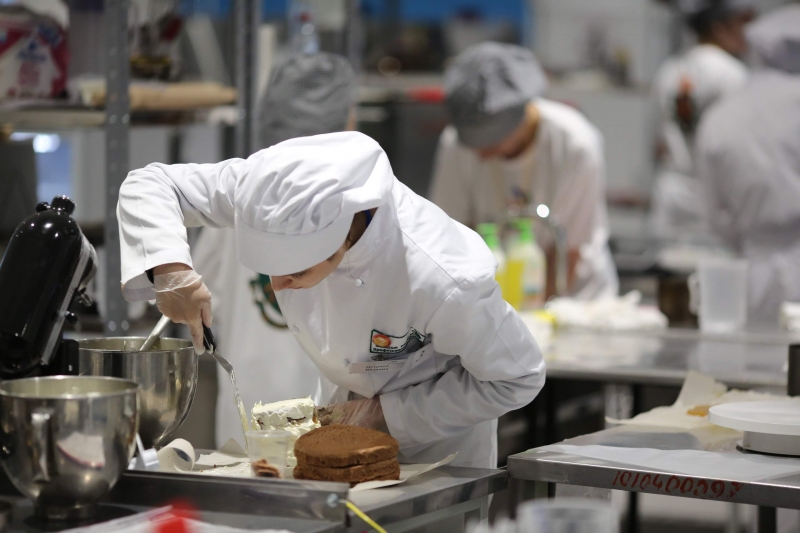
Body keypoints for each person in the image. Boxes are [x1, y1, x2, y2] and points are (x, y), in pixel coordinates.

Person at [117, 131, 546, 469]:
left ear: (342, 239)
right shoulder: (263, 190)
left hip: (435, 455)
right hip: (340, 432)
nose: (279, 287)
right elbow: (151, 183)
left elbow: (519, 377)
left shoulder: (442, 276)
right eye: (269, 272)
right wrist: (171, 270)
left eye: (296, 272)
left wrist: (385, 416)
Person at [191, 53, 357, 447]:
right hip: (335, 425)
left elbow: (199, 305)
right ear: (348, 125)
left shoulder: (239, 193)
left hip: (248, 423)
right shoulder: (358, 202)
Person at [429, 42, 618, 300]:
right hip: (492, 297)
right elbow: (451, 237)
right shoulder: (456, 145)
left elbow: (570, 249)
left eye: (491, 142)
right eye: (473, 143)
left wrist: (533, 316)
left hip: (575, 299)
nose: (481, 155)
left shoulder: (574, 145)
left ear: (520, 117)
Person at [695, 3, 800, 325]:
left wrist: (756, 242)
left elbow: (715, 215)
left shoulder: (721, 115)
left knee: (758, 351)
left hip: (754, 271)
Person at [650, 0, 755, 238]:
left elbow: (660, 142)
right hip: (714, 194)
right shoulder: (732, 73)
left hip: (672, 187)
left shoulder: (670, 69)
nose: (746, 33)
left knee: (668, 259)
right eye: (740, 23)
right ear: (719, 28)